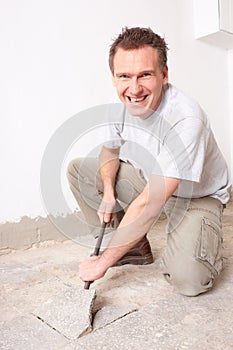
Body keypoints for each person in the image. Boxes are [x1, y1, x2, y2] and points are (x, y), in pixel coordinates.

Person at [67, 27, 232, 297]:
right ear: (113, 78)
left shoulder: (186, 118)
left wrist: (103, 263)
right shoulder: (116, 105)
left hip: (195, 196)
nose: (134, 89)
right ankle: (133, 248)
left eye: (145, 74)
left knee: (189, 280)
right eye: (124, 77)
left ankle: (198, 241)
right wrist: (108, 192)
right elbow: (109, 152)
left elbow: (150, 202)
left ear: (164, 75)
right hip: (152, 181)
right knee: (79, 170)